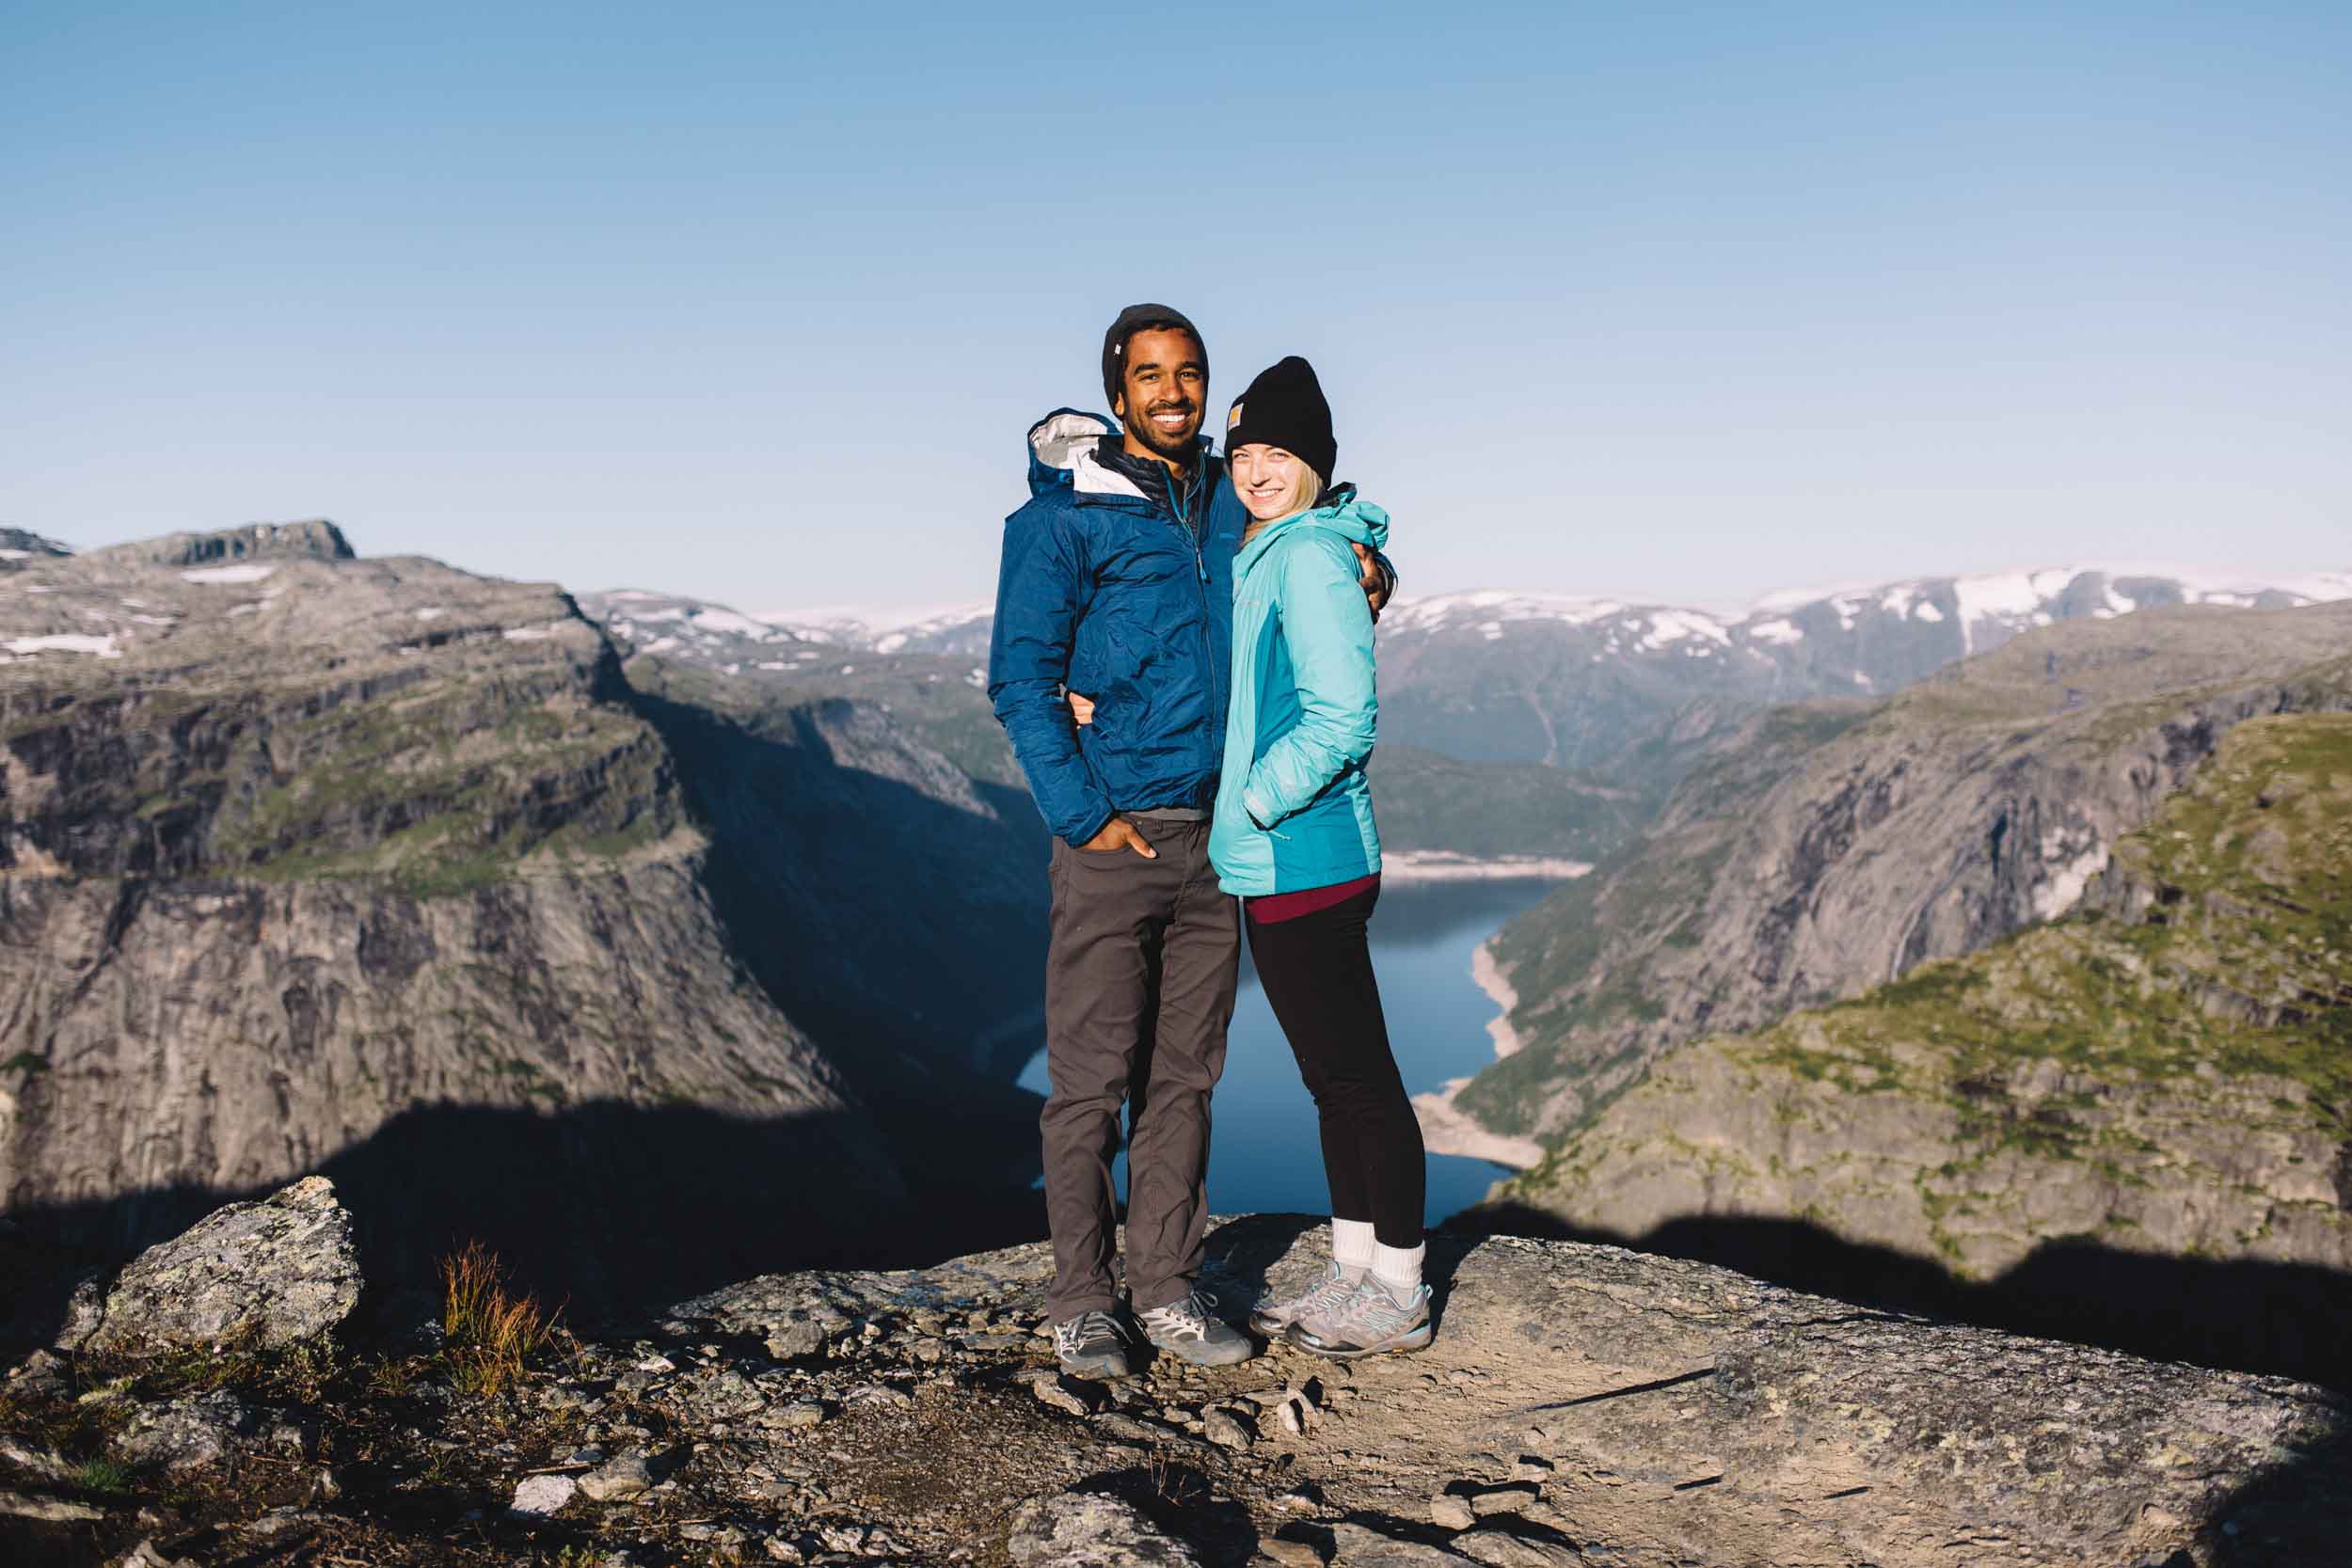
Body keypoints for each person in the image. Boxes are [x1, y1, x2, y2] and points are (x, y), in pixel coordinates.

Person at [989, 307, 1390, 1379]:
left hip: (1221, 836)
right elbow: (1019, 680)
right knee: (1086, 1080)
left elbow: (1314, 523)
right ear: (1117, 393)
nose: (1173, 392)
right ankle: (1082, 1296)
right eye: (1150, 376)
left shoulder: (1230, 498)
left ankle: (1163, 1282)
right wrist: (1082, 814)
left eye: (1190, 373)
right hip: (1115, 838)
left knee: (1183, 1077)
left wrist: (1368, 562)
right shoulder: (1064, 517)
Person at [1206, 356, 1433, 1360]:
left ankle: (1401, 1287)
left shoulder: (1305, 557)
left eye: (1277, 453)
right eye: (1243, 453)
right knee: (1332, 1079)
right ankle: (1355, 1269)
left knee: (1357, 1079)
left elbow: (1344, 718)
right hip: (1283, 857)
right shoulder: (1276, 546)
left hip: (1306, 852)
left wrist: (1254, 800)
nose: (1256, 470)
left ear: (1314, 462)